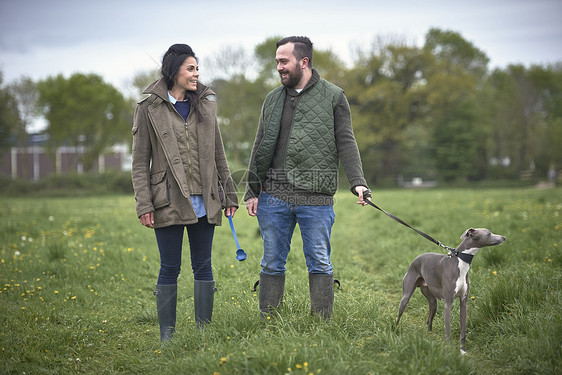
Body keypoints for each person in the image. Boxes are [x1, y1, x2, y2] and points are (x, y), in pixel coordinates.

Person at [245, 36, 370, 320]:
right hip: (273, 196)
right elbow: (260, 144)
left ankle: (321, 322)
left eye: (283, 61)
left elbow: (346, 142)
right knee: (272, 263)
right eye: (277, 61)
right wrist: (252, 191)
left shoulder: (334, 96)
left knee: (319, 262)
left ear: (303, 62)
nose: (278, 67)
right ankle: (269, 321)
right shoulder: (272, 98)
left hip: (316, 197)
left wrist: (358, 182)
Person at [131, 44, 238, 341]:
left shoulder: (206, 105)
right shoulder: (147, 109)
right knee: (170, 267)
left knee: (203, 265)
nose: (196, 74)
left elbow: (219, 154)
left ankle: (203, 332)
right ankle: (168, 336)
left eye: (197, 68)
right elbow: (139, 163)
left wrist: (229, 195)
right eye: (190, 68)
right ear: (174, 70)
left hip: (206, 200)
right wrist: (144, 204)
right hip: (166, 201)